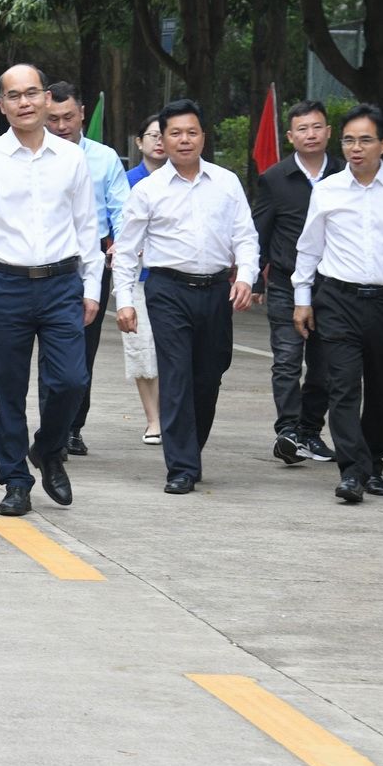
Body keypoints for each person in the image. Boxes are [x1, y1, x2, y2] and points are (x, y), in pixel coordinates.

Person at [0, 64, 100, 517]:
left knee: (71, 380)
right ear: (2, 105)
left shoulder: (71, 158)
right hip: (4, 284)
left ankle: (49, 449)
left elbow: (87, 226)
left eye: (32, 93)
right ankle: (15, 480)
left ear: (46, 98)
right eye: (14, 96)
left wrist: (93, 286)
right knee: (9, 388)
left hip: (61, 283)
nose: (24, 103)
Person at [293, 104, 383, 504]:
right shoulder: (327, 190)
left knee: (381, 388)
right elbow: (309, 248)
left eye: (365, 140)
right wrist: (302, 298)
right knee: (342, 387)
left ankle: (374, 463)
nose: (355, 148)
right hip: (338, 300)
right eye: (348, 141)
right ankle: (352, 472)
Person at [113, 100, 258, 494]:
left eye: (191, 132)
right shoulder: (148, 190)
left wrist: (246, 277)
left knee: (209, 376)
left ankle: (191, 449)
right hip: (167, 290)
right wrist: (124, 300)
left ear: (203, 138)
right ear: (163, 139)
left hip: (216, 290)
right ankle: (180, 466)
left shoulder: (226, 182)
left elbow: (245, 236)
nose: (184, 140)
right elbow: (126, 249)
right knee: (176, 374)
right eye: (174, 133)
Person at [251, 100, 342, 467]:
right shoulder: (275, 178)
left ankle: (310, 431)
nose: (311, 134)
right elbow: (260, 230)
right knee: (287, 360)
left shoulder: (344, 175)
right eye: (302, 129)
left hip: (333, 286)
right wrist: (255, 278)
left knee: (324, 366)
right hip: (286, 283)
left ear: (329, 132)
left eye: (317, 127)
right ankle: (288, 431)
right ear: (290, 136)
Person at [44, 81, 128, 458]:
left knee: (82, 350)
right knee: (47, 350)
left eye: (68, 117)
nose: (62, 126)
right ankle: (49, 427)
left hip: (91, 262)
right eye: (53, 119)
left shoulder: (104, 158)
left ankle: (73, 426)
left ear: (82, 114)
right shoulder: (33, 156)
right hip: (44, 262)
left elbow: (121, 209)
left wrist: (122, 246)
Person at [121, 113, 166, 445]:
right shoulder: (127, 180)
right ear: (139, 142)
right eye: (153, 135)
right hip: (138, 276)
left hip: (171, 276)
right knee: (142, 349)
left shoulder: (181, 178)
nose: (160, 141)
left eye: (165, 135)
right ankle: (153, 419)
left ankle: (173, 415)